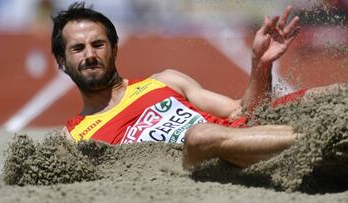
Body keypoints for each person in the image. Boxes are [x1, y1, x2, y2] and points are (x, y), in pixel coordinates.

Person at [51, 2, 341, 169]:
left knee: (330, 93)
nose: (89, 55)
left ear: (114, 49)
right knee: (199, 135)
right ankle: (324, 140)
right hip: (200, 161)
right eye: (78, 49)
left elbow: (244, 113)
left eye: (98, 44)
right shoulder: (74, 134)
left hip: (248, 139)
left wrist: (260, 64)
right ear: (62, 62)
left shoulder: (164, 81)